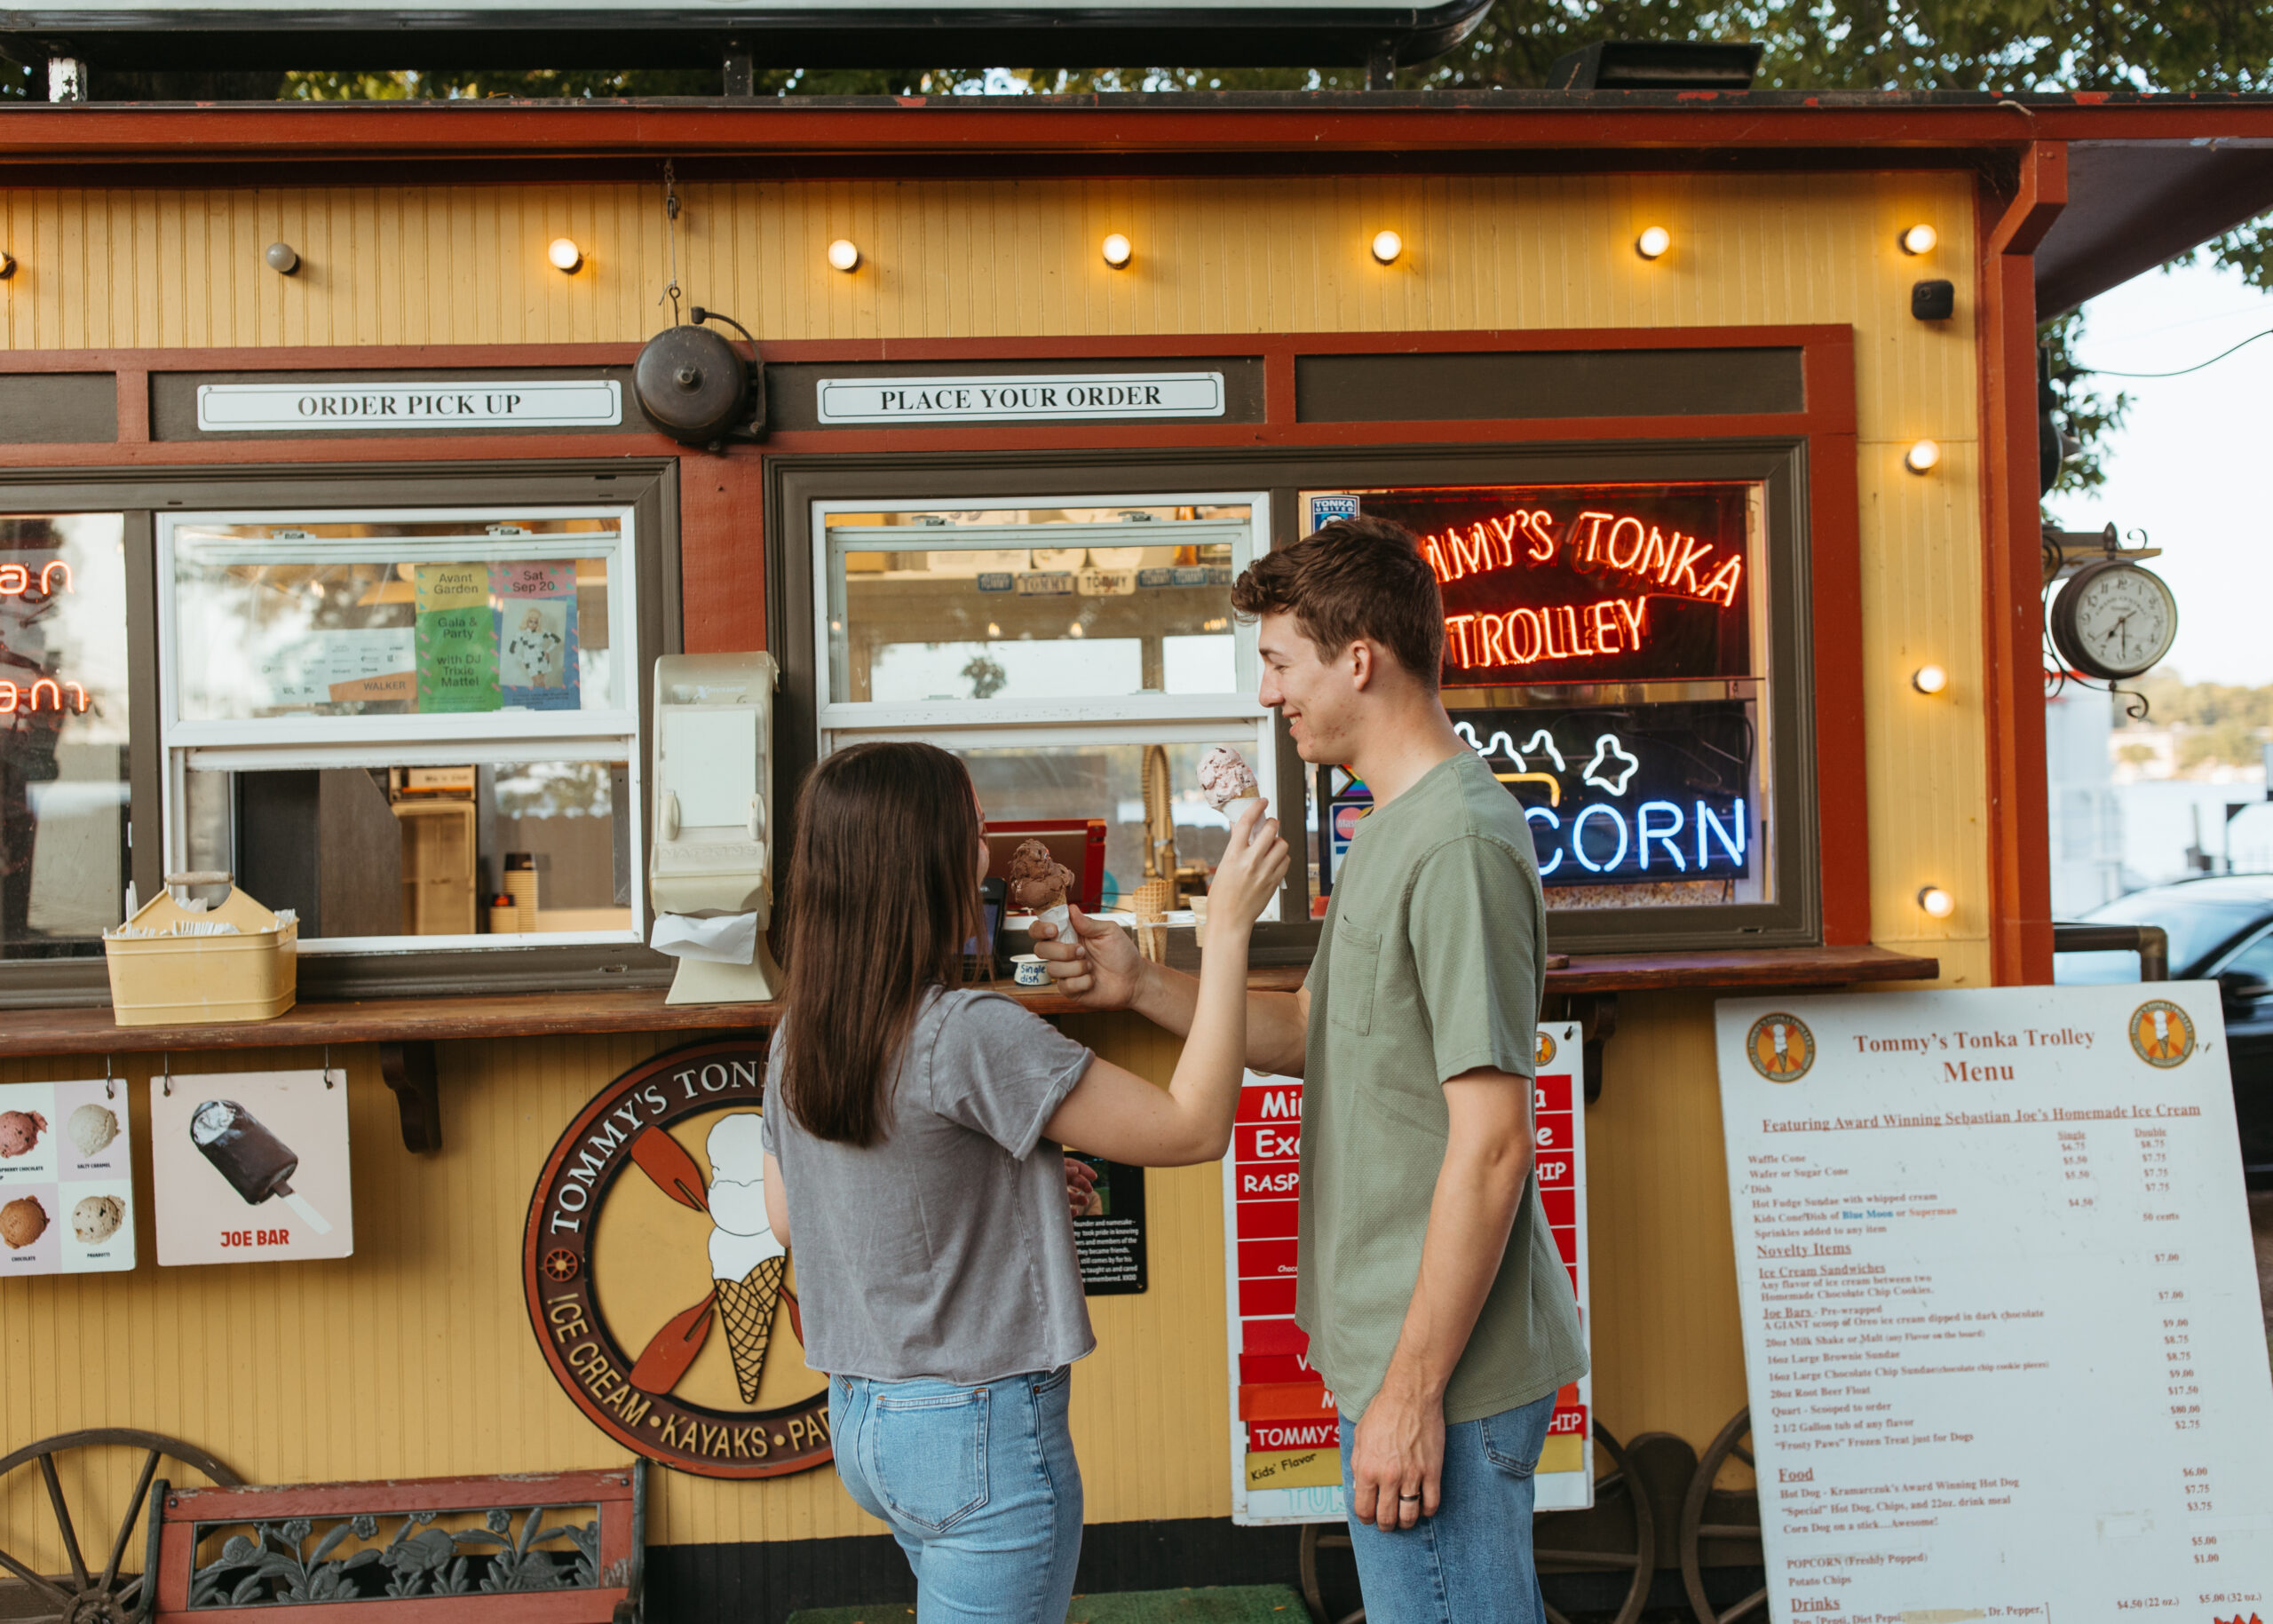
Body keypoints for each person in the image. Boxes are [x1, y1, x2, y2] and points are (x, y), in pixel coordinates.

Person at [1034, 516, 1587, 1623]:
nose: (1269, 691)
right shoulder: (1386, 827)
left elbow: (1491, 1144)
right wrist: (1143, 983)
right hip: (1392, 1348)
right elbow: (1313, 1036)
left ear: (1359, 659)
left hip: (1442, 1371)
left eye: (1280, 660)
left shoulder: (1460, 845)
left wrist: (1411, 1391)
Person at [758, 740, 1287, 1621]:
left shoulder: (799, 1032)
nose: (987, 853)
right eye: (971, 832)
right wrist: (1225, 930)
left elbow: (789, 1217)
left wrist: (1015, 1192)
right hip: (977, 1433)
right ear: (924, 858)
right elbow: (1193, 1128)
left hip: (862, 1421)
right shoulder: (968, 1030)